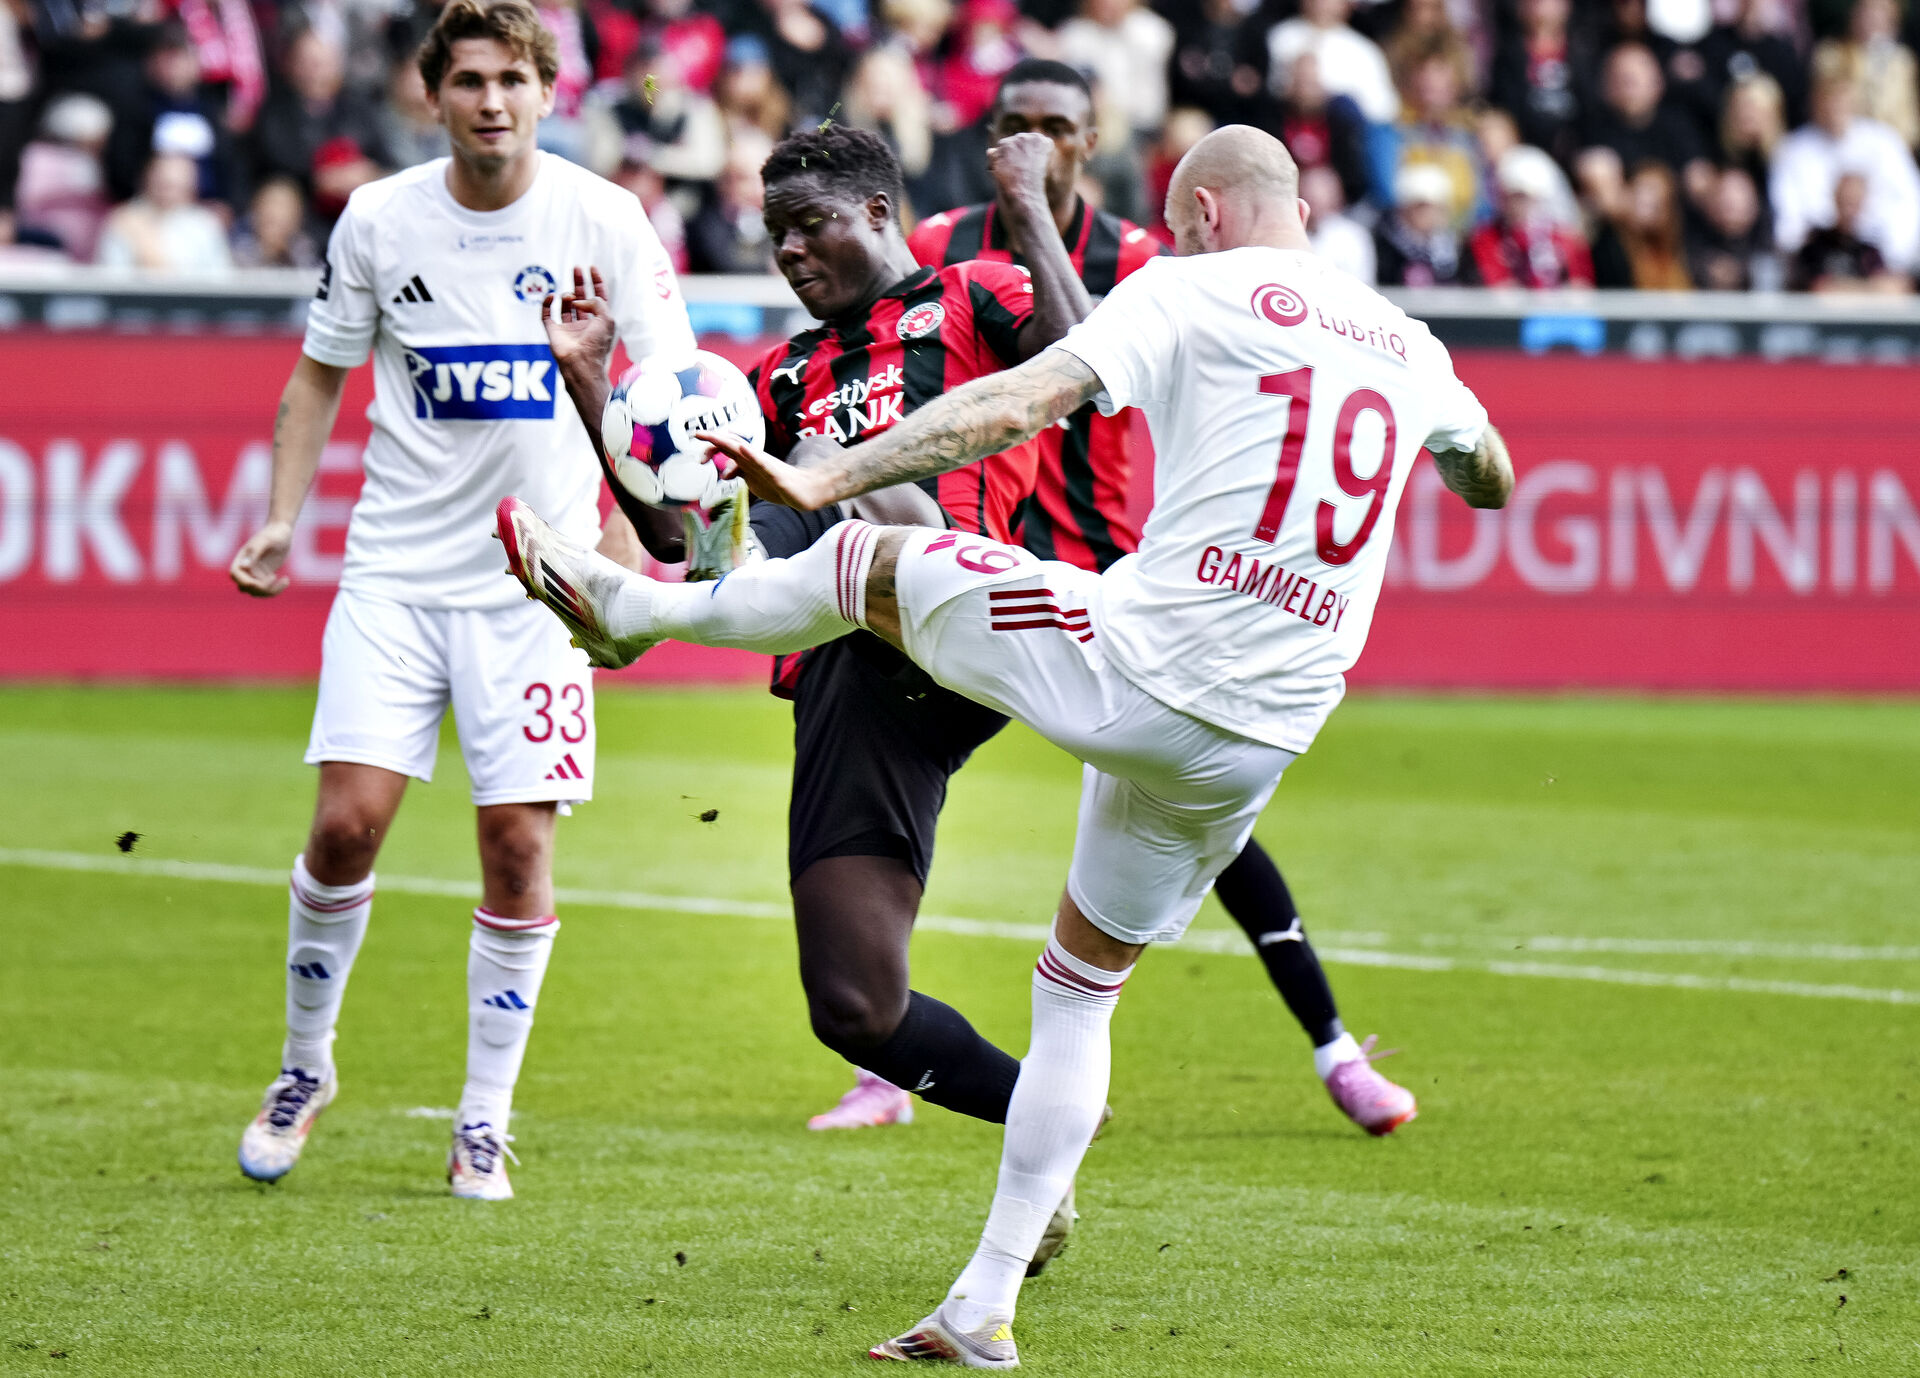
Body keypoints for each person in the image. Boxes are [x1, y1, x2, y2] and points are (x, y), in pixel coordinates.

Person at [495, 121, 1512, 1367]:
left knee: (873, 547)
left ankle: (626, 618)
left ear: (1196, 213)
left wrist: (828, 478)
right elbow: (1491, 475)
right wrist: (1451, 445)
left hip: (1146, 663)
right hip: (1262, 736)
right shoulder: (1413, 347)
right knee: (1074, 992)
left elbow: (1027, 396)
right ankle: (981, 1308)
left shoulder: (1185, 285)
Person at [522, 122, 1095, 1254]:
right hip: (854, 667)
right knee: (853, 1004)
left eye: (809, 223)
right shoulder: (777, 378)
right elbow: (700, 546)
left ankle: (623, 621)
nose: (788, 249)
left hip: (966, 603)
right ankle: (1047, 1127)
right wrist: (591, 392)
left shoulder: (975, 294)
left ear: (879, 214)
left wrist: (1027, 204)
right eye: (773, 232)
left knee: (887, 504)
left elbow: (1092, 367)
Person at [225, 0, 693, 1202]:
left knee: (517, 842)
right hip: (394, 574)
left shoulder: (606, 217)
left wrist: (623, 545)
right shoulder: (382, 217)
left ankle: (484, 1119)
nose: (492, 100)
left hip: (536, 590)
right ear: (433, 96)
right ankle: (303, 1066)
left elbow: (674, 389)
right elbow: (318, 378)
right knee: (345, 829)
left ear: (548, 91)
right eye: (469, 80)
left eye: (513, 80)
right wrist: (283, 517)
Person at [905, 58, 1417, 1138]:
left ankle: (1329, 1043)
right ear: (989, 134)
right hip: (989, 536)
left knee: (1213, 824)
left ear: (1090, 142)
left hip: (1118, 569)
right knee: (907, 752)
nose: (1036, 142)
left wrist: (1032, 216)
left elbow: (1079, 370)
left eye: (1058, 127)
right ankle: (886, 1038)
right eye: (1016, 125)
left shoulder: (1161, 258)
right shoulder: (936, 244)